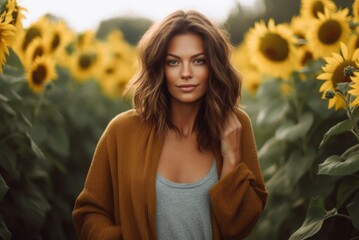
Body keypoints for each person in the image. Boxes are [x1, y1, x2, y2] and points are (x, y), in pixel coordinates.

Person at [72, 10, 268, 240]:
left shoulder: (236, 126)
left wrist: (231, 159)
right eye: (173, 62)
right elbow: (89, 211)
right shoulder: (122, 131)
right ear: (159, 68)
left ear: (213, 66)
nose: (186, 73)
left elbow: (239, 228)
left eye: (198, 61)